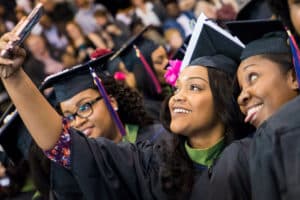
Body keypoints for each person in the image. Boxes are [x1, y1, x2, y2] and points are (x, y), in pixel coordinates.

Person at [0, 17, 249, 199]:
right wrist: (14, 77)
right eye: (178, 88)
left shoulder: (255, 153)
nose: (178, 97)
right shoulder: (152, 162)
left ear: (224, 99)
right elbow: (64, 144)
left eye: (194, 88)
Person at [228, 19, 300, 200]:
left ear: (294, 77)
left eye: (252, 77)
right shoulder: (251, 153)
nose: (241, 97)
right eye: (240, 88)